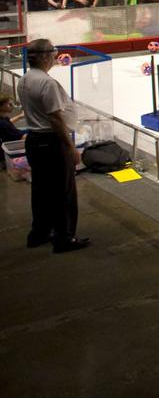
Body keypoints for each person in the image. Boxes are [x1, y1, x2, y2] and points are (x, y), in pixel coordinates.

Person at [19, 39, 89, 253]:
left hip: (35, 140)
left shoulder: (25, 79)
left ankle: (39, 232)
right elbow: (55, 118)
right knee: (63, 191)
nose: (55, 55)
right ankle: (64, 237)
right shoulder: (47, 83)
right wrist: (70, 146)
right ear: (42, 56)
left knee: (41, 190)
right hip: (51, 142)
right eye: (52, 52)